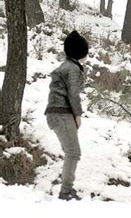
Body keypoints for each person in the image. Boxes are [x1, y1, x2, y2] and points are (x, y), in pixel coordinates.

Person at [45, 30, 88, 201]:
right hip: (61, 113)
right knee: (74, 152)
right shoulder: (72, 69)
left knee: (71, 152)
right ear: (80, 52)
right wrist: (78, 115)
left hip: (58, 113)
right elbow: (73, 94)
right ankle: (65, 192)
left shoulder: (67, 66)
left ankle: (66, 189)